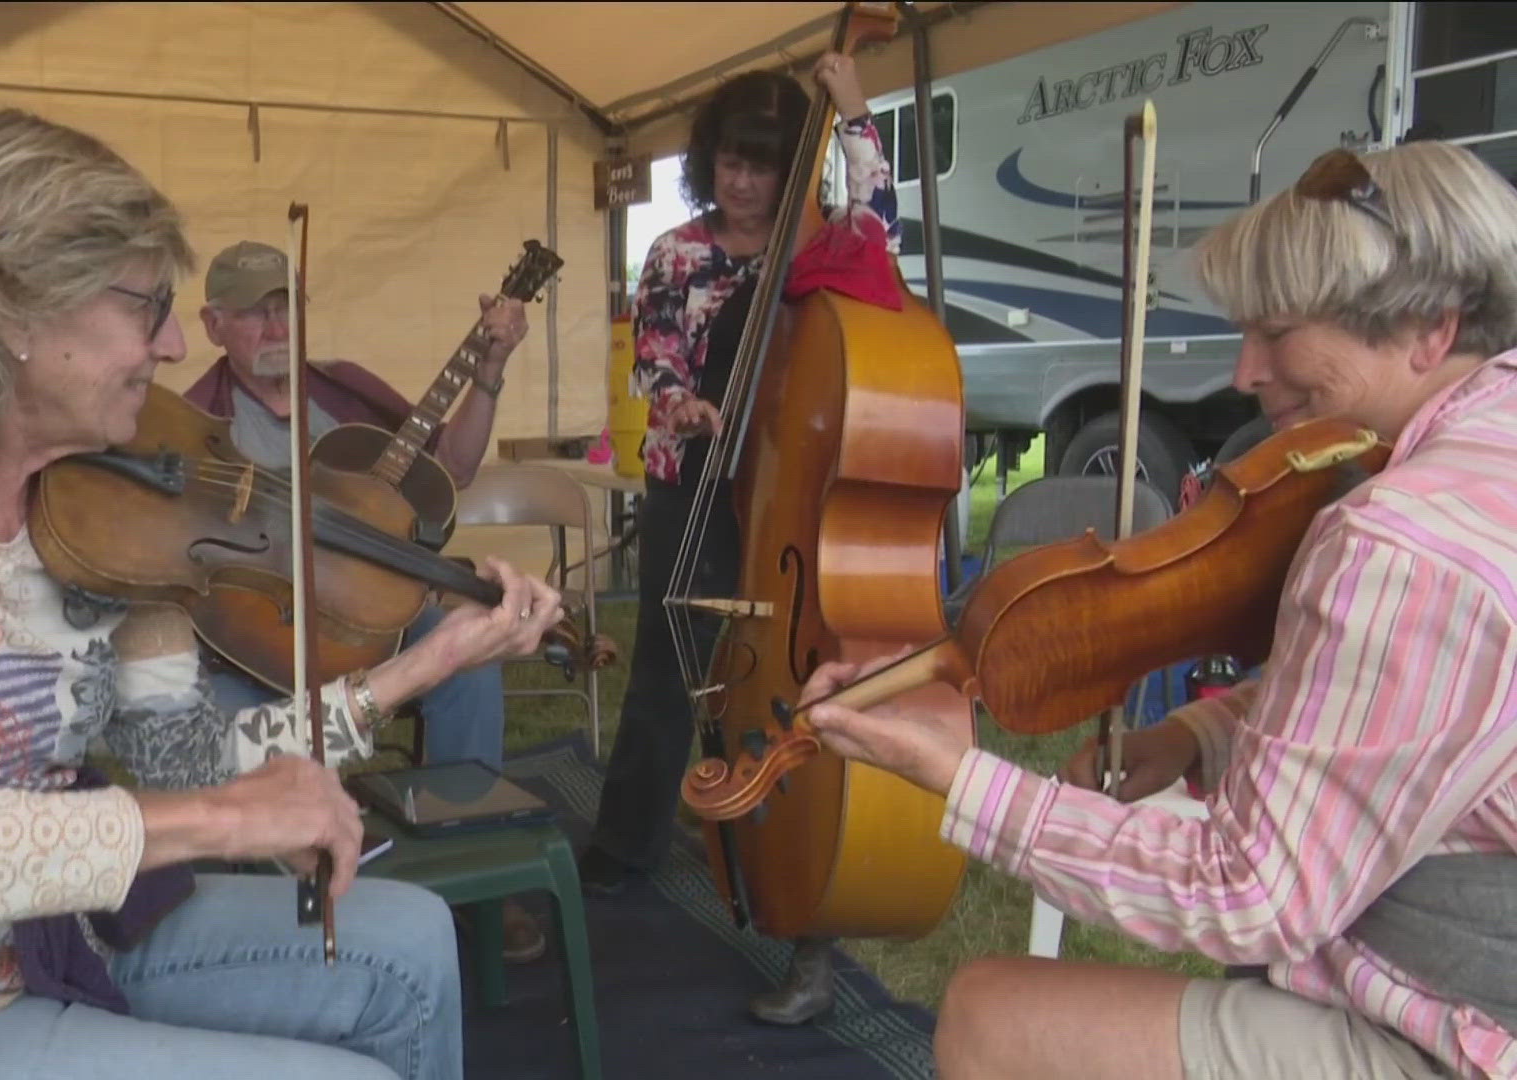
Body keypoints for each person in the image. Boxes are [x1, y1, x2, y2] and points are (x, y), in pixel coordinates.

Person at [0, 107, 567, 1080]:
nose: (175, 346)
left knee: (415, 947)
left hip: (56, 935)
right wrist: (215, 824)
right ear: (11, 310)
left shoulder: (109, 507)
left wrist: (429, 662)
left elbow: (183, 757)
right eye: (147, 306)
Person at [798, 139, 1517, 1079]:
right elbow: (1403, 710)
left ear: (1429, 326)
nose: (1245, 369)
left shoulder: (1399, 543)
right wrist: (1193, 734)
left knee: (990, 1014)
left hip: (1463, 1021)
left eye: (1279, 331)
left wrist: (964, 780)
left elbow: (1249, 894)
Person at [575, 50, 903, 1026]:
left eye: (763, 164)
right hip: (696, 486)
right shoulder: (676, 252)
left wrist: (854, 116)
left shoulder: (818, 245)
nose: (744, 180)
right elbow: (654, 364)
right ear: (709, 161)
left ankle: (803, 906)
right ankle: (625, 848)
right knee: (670, 676)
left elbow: (882, 217)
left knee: (791, 689)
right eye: (730, 160)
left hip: (793, 493)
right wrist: (684, 408)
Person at [179, 239, 550, 962]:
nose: (277, 329)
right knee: (212, 723)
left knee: (468, 660)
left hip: (378, 614)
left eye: (287, 309)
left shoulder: (343, 392)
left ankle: (472, 874)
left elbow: (453, 466)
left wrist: (491, 373)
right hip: (255, 637)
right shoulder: (196, 421)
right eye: (255, 315)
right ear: (213, 324)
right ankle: (247, 923)